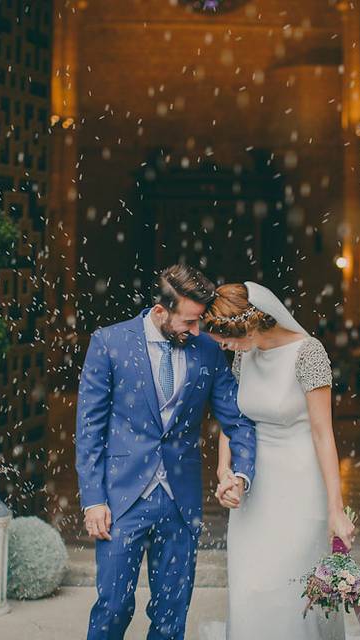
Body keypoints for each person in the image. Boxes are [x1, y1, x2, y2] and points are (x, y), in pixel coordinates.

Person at [75, 265, 257, 640]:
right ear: (160, 312)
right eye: (189, 322)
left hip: (180, 501)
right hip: (121, 501)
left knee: (171, 615)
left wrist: (240, 473)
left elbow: (238, 421)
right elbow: (89, 428)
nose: (197, 331)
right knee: (112, 607)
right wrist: (93, 500)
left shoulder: (206, 351)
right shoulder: (109, 343)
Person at [201, 281, 354, 640]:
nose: (224, 347)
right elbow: (234, 419)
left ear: (252, 325)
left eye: (228, 339)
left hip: (300, 483)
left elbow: (323, 434)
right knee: (250, 584)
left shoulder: (308, 353)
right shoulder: (244, 355)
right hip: (255, 483)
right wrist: (227, 471)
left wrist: (336, 506)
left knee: (290, 586)